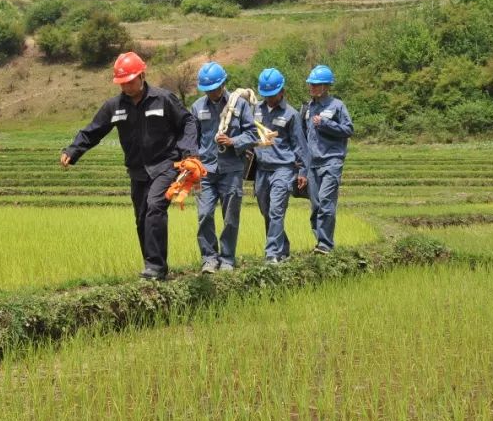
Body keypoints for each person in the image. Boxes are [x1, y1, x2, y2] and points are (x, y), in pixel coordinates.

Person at [60, 51, 198, 280]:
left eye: (130, 81)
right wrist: (73, 150)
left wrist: (188, 153)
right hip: (138, 170)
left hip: (165, 164)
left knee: (155, 206)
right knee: (142, 216)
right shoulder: (114, 106)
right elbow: (95, 130)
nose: (126, 87)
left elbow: (187, 122)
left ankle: (155, 266)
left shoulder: (163, 99)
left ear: (142, 75)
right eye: (122, 83)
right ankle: (152, 267)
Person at [191, 61, 258, 273]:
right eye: (207, 90)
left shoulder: (239, 105)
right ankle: (209, 258)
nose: (211, 93)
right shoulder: (197, 107)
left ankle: (227, 258)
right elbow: (192, 138)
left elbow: (253, 135)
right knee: (204, 215)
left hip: (232, 170)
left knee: (230, 218)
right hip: (206, 170)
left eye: (214, 89)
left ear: (223, 84)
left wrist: (233, 142)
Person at [252, 68, 307, 264]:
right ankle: (282, 247)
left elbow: (300, 144)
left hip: (283, 168)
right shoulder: (255, 110)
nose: (269, 98)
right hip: (261, 168)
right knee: (266, 210)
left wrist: (302, 170)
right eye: (265, 95)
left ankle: (272, 254)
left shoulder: (291, 114)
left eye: (272, 95)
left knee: (276, 210)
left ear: (281, 91)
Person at [303, 65, 354, 255]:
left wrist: (325, 124)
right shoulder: (308, 108)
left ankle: (325, 244)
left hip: (332, 161)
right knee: (316, 205)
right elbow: (304, 137)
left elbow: (348, 130)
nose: (312, 87)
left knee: (326, 201)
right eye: (311, 84)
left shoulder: (337, 106)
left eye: (316, 85)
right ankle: (320, 242)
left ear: (326, 86)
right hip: (312, 163)